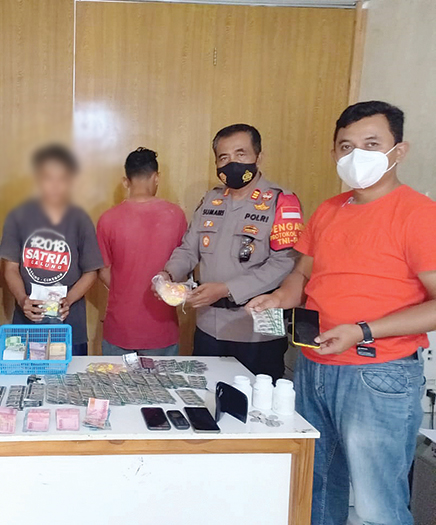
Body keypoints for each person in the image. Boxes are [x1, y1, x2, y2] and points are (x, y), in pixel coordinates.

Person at [248, 101, 434, 525]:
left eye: (372, 144)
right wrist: (279, 297)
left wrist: (363, 330)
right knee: (314, 491)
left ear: (399, 150)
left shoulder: (419, 215)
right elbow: (302, 274)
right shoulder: (329, 210)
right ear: (334, 153)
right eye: (346, 146)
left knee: (376, 506)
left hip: (379, 373)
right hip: (314, 366)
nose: (356, 156)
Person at [158, 124, 304, 380]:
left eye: (241, 154)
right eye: (223, 157)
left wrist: (227, 289)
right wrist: (168, 275)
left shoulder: (281, 201)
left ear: (258, 156)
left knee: (255, 401)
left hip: (258, 332)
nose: (232, 163)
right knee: (206, 396)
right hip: (209, 326)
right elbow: (189, 248)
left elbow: (285, 263)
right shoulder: (211, 200)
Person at [0, 144, 103, 355]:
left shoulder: (80, 219)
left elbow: (91, 271)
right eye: (48, 178)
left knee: (71, 376)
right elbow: (10, 268)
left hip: (69, 327)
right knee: (25, 376)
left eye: (61, 179)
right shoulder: (18, 217)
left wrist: (69, 300)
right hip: (26, 327)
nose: (55, 186)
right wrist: (22, 299)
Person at [97, 147, 187, 356]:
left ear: (125, 181)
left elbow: (103, 270)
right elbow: (184, 263)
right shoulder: (175, 215)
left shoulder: (107, 219)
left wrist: (125, 289)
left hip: (120, 328)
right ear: (156, 178)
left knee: (116, 380)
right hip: (162, 330)